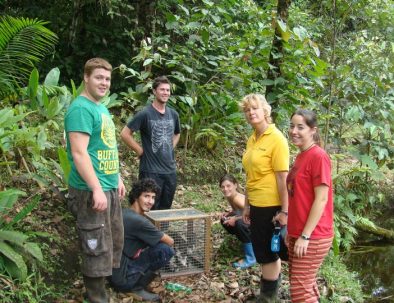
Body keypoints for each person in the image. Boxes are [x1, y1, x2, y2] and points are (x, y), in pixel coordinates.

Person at [65, 58, 125, 303]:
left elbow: (106, 146)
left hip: (108, 186)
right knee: (95, 246)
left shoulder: (101, 108)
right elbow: (79, 153)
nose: (104, 83)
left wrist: (117, 177)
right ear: (86, 78)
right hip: (91, 191)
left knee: (111, 241)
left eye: (108, 79)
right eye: (99, 77)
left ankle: (102, 292)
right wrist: (96, 189)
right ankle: (97, 298)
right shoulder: (81, 109)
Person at [240, 94, 289, 302]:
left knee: (269, 252)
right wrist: (247, 205)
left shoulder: (276, 138)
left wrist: (284, 211)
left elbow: (282, 178)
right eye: (247, 110)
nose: (251, 112)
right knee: (263, 250)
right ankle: (268, 294)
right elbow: (250, 176)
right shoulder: (252, 138)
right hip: (257, 203)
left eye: (255, 108)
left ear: (265, 111)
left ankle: (268, 297)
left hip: (271, 205)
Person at [286, 109, 334, 302]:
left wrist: (305, 235)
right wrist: (292, 230)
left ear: (313, 130)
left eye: (300, 127)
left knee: (300, 292)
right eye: (291, 126)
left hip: (314, 235)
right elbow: (297, 197)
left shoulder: (318, 156)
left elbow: (321, 199)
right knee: (303, 287)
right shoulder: (301, 155)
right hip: (299, 232)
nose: (294, 131)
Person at [109, 178, 175, 302]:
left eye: (153, 197)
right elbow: (170, 241)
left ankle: (135, 282)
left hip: (112, 274)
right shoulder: (138, 221)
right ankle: (136, 287)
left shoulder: (125, 213)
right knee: (165, 250)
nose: (151, 201)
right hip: (122, 280)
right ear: (136, 197)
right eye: (146, 196)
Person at [120, 76, 181, 210]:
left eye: (168, 90)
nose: (165, 92)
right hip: (150, 170)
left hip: (169, 171)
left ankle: (160, 231)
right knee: (148, 208)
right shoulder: (145, 114)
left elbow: (177, 133)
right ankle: (144, 230)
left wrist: (171, 147)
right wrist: (140, 150)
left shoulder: (173, 114)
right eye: (162, 89)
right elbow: (125, 134)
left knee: (165, 207)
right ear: (154, 91)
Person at [219, 174, 256, 269]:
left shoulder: (236, 198)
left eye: (228, 186)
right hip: (250, 221)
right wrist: (229, 214)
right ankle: (244, 243)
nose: (225, 189)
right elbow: (240, 211)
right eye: (223, 187)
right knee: (225, 219)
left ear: (235, 185)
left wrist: (235, 218)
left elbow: (253, 213)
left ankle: (251, 257)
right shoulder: (230, 196)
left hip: (259, 224)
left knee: (239, 223)